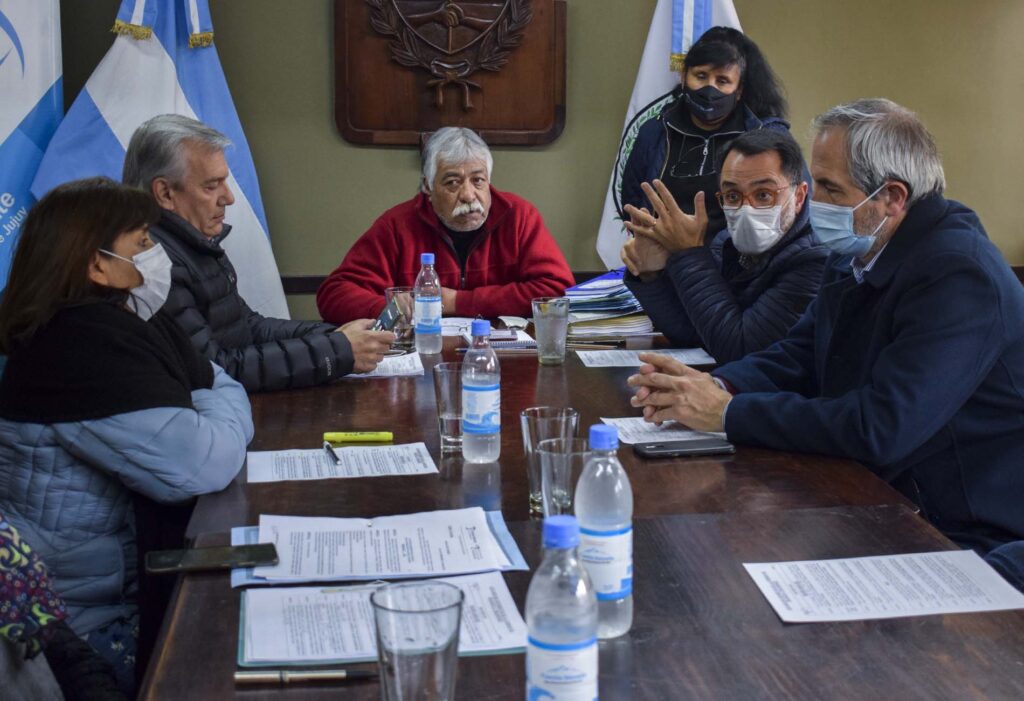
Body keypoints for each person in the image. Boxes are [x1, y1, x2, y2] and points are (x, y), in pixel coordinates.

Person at [627, 99, 1024, 554]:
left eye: (832, 190)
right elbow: (800, 355)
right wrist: (712, 384)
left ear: (891, 198)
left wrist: (726, 413)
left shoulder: (958, 274)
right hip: (884, 496)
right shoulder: (859, 250)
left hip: (966, 530)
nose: (815, 204)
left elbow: (880, 427)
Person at [0, 177, 254, 694]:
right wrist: (212, 395)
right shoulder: (78, 352)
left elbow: (210, 378)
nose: (155, 254)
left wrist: (209, 391)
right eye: (141, 242)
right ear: (95, 266)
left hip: (114, 588)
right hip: (78, 627)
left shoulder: (108, 324)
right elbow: (205, 460)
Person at [123, 114, 394, 393]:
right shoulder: (155, 263)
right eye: (211, 186)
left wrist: (336, 336)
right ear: (165, 193)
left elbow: (249, 329)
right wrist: (336, 350)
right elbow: (214, 370)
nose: (229, 198)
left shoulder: (194, 243)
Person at [316, 127, 575, 324]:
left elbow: (556, 290)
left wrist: (456, 302)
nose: (468, 194)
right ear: (428, 186)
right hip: (422, 362)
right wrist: (393, 307)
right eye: (452, 182)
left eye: (478, 180)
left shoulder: (519, 216)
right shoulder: (397, 226)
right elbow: (334, 295)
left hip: (503, 361)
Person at [621, 129, 827, 362]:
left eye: (763, 195)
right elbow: (695, 334)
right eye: (732, 196)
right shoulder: (726, 242)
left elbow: (741, 351)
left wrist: (688, 253)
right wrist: (652, 273)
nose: (746, 209)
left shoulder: (816, 259)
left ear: (798, 197)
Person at [619, 26, 793, 241]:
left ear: (739, 90)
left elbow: (787, 209)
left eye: (722, 81)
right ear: (684, 77)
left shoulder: (767, 136)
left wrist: (703, 251)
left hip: (740, 261)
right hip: (662, 259)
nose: (710, 89)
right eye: (700, 76)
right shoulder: (654, 130)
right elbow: (632, 200)